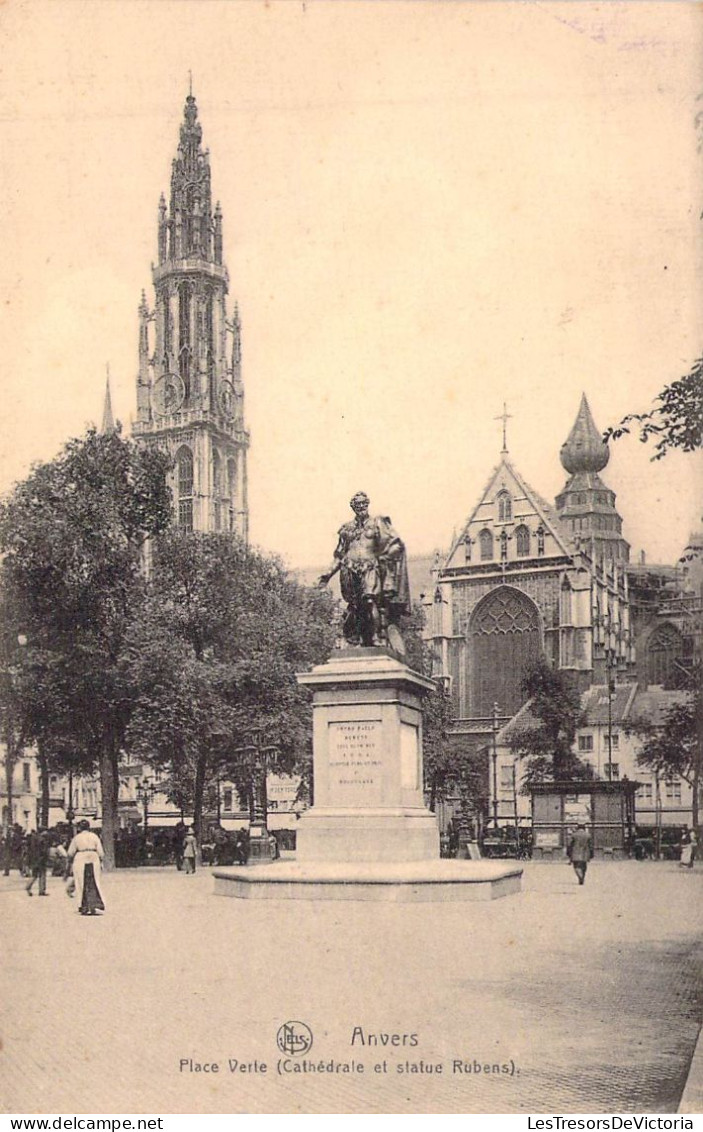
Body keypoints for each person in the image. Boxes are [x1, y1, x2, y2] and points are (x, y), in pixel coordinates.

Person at [318, 492, 410, 650]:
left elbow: (396, 544)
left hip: (370, 568)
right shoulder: (346, 529)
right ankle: (360, 639)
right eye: (357, 504)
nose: (361, 507)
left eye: (363, 503)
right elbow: (339, 555)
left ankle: (375, 637)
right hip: (349, 570)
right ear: (353, 507)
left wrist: (384, 559)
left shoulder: (377, 523)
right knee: (356, 606)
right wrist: (327, 574)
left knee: (369, 601)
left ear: (368, 504)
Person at [67, 819, 105, 915]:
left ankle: (82, 905)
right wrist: (100, 859)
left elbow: (70, 852)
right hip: (93, 856)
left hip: (80, 857)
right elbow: (100, 852)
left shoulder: (77, 838)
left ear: (80, 828)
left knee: (80, 882)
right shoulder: (94, 836)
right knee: (95, 880)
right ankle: (94, 903)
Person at [25, 827, 51, 896]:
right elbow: (44, 851)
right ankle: (42, 891)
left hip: (34, 859)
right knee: (42, 875)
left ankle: (28, 886)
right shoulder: (42, 840)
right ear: (43, 832)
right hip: (41, 860)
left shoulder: (34, 839)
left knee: (34, 875)